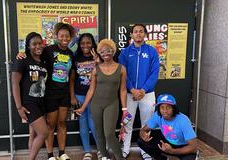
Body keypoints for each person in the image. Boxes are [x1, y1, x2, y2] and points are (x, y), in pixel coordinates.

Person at [16, 22, 76, 160]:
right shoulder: (48, 50)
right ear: (56, 36)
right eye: (61, 36)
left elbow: (71, 77)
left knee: (62, 123)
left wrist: (72, 95)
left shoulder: (71, 54)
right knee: (50, 125)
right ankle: (50, 155)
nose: (64, 38)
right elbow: (32, 56)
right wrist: (21, 53)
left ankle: (62, 153)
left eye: (67, 36)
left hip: (64, 93)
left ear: (71, 37)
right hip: (49, 94)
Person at [75, 39, 127, 160]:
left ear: (113, 51)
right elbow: (91, 90)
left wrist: (124, 109)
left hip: (112, 104)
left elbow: (123, 90)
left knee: (109, 134)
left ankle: (119, 157)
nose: (105, 54)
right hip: (96, 105)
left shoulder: (121, 69)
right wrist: (83, 107)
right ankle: (104, 156)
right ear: (99, 53)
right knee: (99, 134)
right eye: (102, 52)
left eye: (108, 51)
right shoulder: (96, 69)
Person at [118, 24, 159, 159]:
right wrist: (132, 89)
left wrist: (143, 90)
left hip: (147, 94)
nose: (138, 34)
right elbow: (122, 73)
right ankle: (125, 147)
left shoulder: (152, 51)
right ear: (131, 35)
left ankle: (145, 150)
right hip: (129, 94)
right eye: (135, 31)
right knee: (127, 121)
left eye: (141, 31)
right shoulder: (125, 52)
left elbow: (154, 73)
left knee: (146, 124)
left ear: (145, 34)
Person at [12, 32, 49, 160]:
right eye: (34, 44)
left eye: (40, 43)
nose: (38, 46)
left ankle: (30, 156)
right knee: (43, 132)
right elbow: (15, 82)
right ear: (28, 46)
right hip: (28, 103)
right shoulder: (22, 59)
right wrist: (19, 107)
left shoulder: (43, 62)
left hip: (41, 102)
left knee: (33, 134)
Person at [137, 94, 198, 160]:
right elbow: (144, 130)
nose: (165, 111)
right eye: (162, 107)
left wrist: (172, 151)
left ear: (173, 108)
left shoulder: (183, 121)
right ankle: (162, 158)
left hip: (183, 146)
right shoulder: (157, 115)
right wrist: (143, 134)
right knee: (141, 141)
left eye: (168, 107)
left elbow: (193, 147)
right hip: (167, 142)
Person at [69, 33, 99, 160]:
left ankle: (100, 149)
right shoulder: (75, 59)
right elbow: (71, 80)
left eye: (88, 43)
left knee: (94, 123)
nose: (85, 45)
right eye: (82, 43)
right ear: (79, 45)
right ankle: (87, 151)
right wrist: (72, 97)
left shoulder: (99, 57)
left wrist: (97, 61)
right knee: (83, 124)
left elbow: (104, 75)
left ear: (92, 43)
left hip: (95, 95)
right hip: (79, 95)